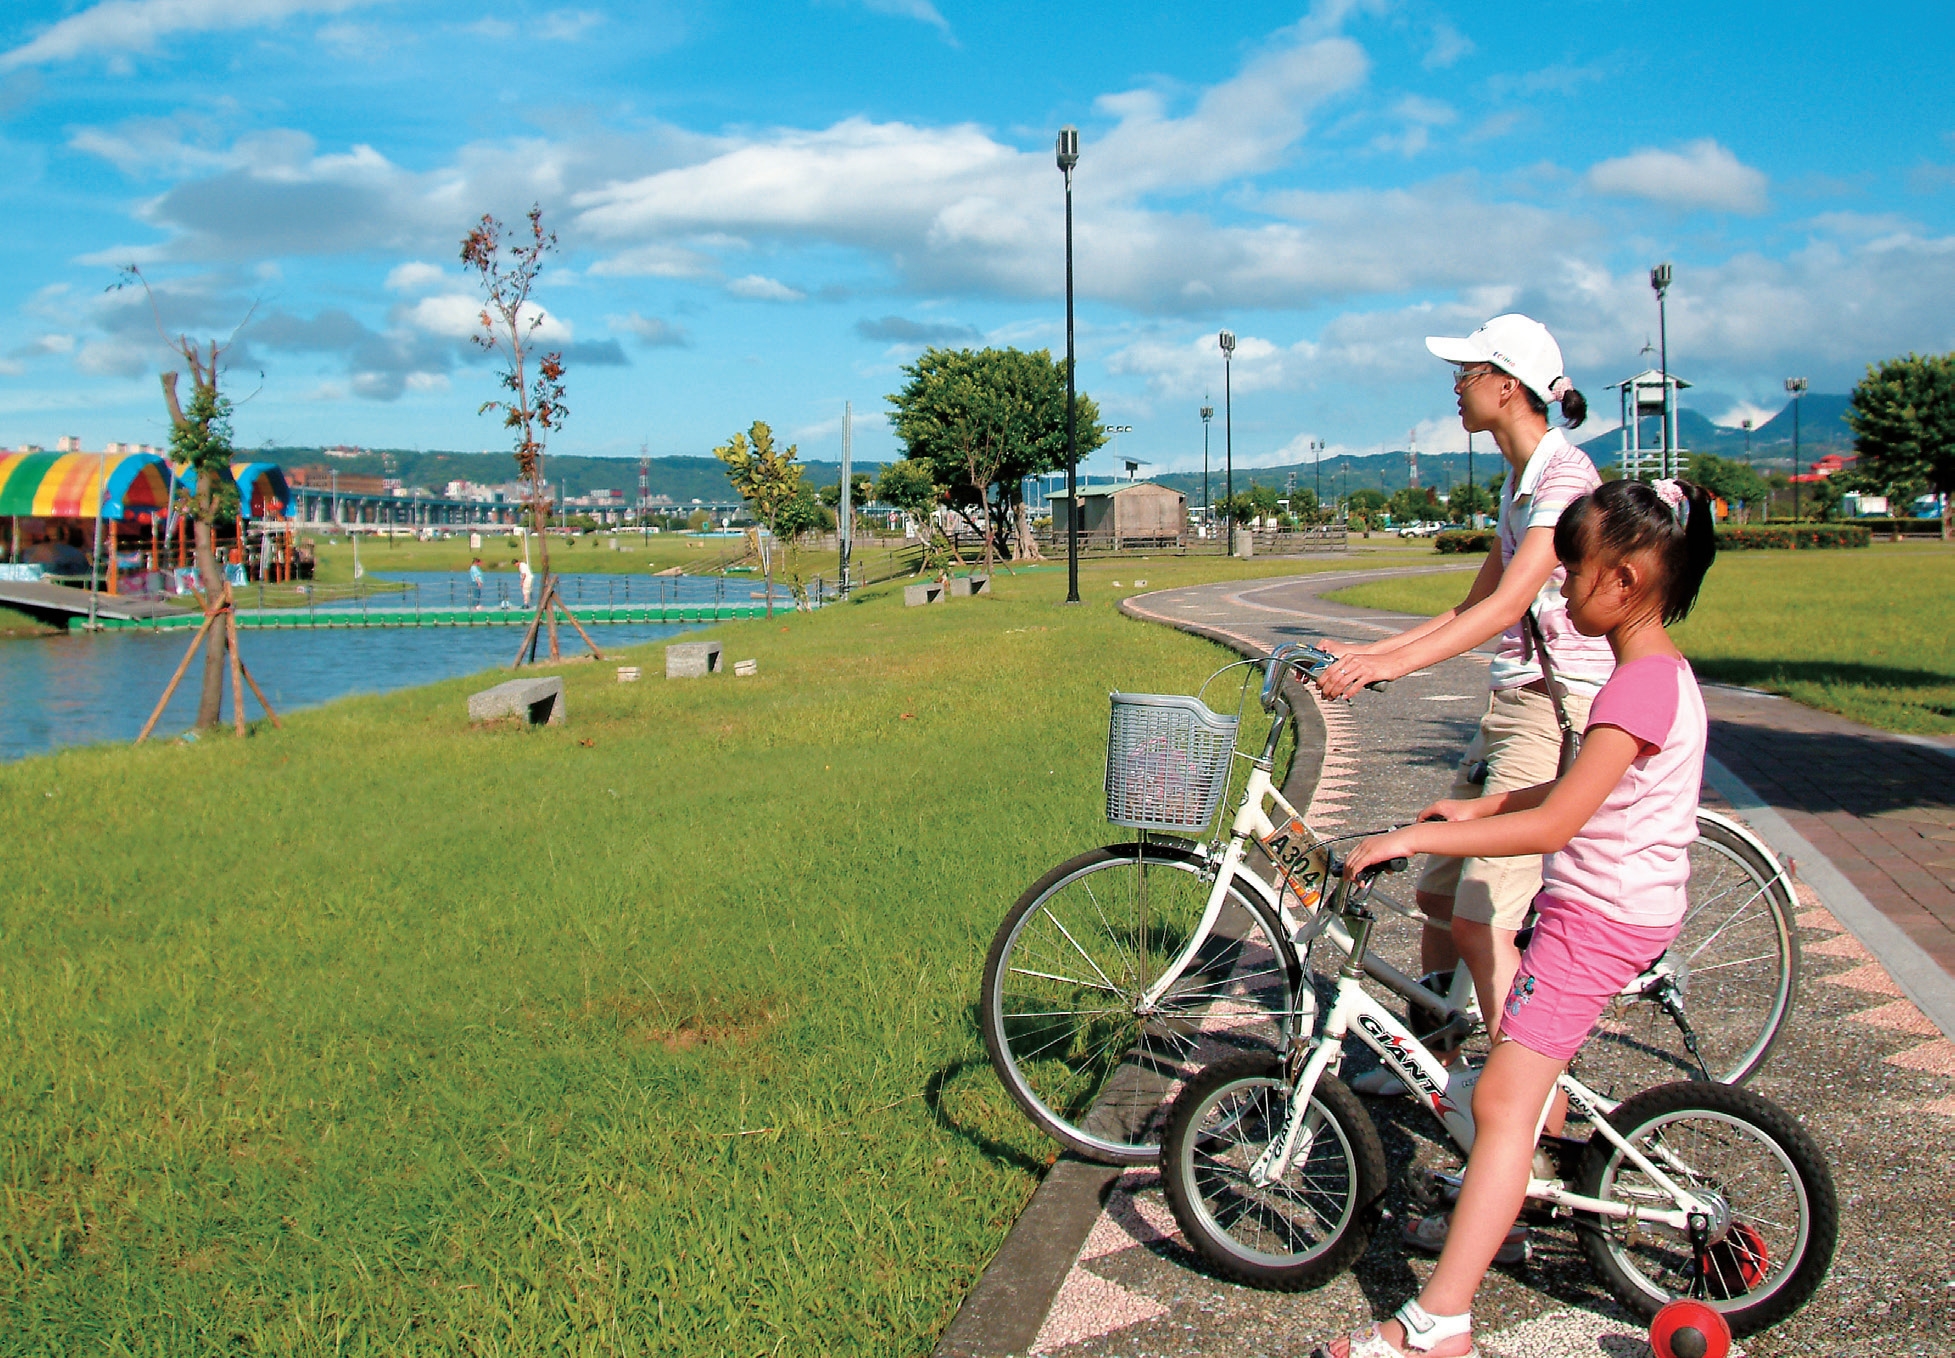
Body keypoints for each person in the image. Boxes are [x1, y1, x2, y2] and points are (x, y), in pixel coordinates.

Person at [1310, 477, 1718, 1358]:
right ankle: (1491, 1227)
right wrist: (1477, 809)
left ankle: (1438, 1322)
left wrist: (1408, 839)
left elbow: (1558, 823)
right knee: (1510, 1094)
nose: (1559, 589)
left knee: (1502, 1105)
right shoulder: (1656, 676)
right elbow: (1578, 790)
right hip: (1617, 909)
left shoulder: (1634, 689)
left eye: (1572, 569)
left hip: (1595, 920)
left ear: (1624, 580)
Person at [1318, 314, 1612, 1085]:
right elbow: (1470, 603)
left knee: (1483, 915)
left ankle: (1527, 1102)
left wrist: (1389, 665)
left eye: (1465, 373)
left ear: (1506, 385)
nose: (1454, 388)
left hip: (1551, 712)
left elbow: (1507, 605)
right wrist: (1372, 655)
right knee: (1437, 893)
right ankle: (1434, 1062)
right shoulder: (1519, 480)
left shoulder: (1564, 481)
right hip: (1512, 706)